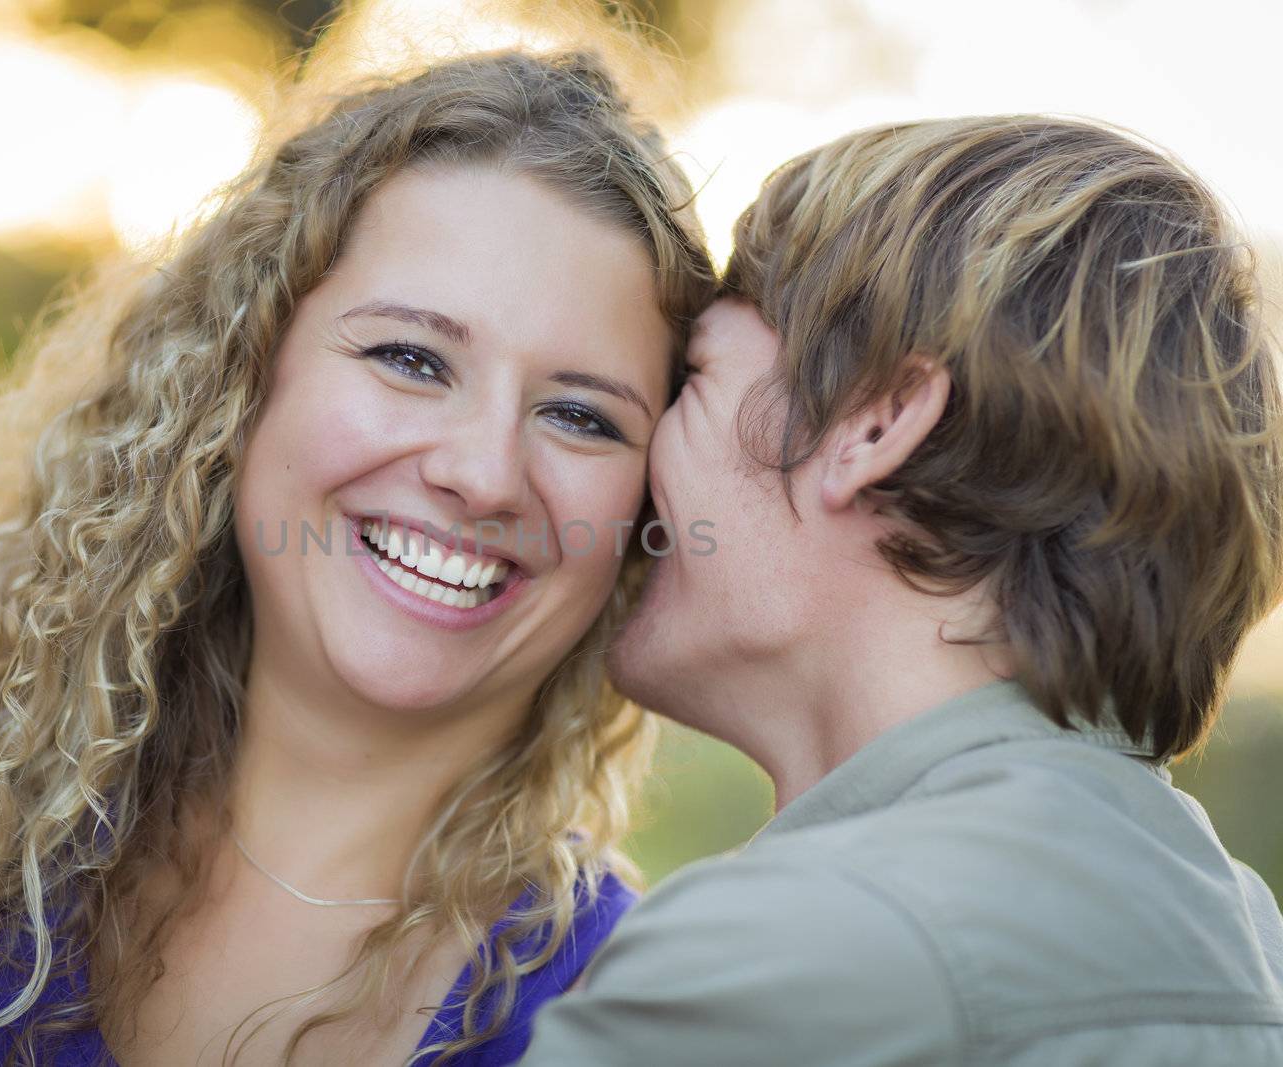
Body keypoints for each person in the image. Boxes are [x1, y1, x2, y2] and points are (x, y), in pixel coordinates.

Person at [0, 50, 716, 1066]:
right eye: (411, 358)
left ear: (646, 503)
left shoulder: (624, 1009)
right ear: (246, 367)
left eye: (580, 415)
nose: (484, 473)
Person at [522, 116, 1283, 1064]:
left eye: (696, 378)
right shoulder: (1242, 937)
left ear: (877, 424)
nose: (631, 465)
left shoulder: (798, 949)